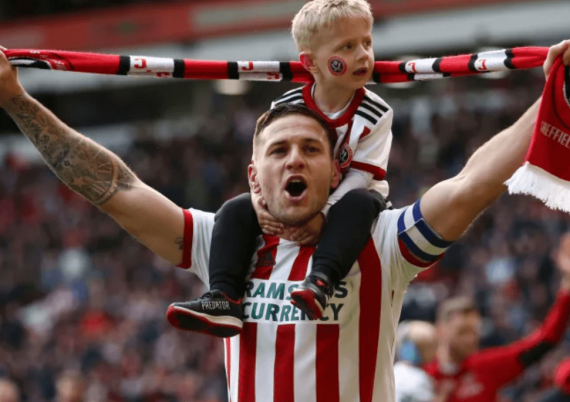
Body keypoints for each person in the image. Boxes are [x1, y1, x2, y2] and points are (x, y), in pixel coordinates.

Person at [0, 40, 569, 401]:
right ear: (254, 176)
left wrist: (554, 91)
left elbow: (473, 183)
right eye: (278, 151)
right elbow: (115, 188)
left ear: (336, 172)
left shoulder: (380, 241)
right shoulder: (221, 241)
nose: (294, 158)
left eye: (310, 149)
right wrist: (15, 99)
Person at [168, 0, 394, 337]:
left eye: (367, 42)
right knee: (235, 208)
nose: (363, 55)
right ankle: (224, 296)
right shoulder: (285, 104)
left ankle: (321, 282)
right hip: (298, 196)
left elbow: (362, 175)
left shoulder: (376, 112)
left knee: (358, 204)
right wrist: (261, 202)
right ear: (311, 62)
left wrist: (324, 213)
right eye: (347, 47)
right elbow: (263, 160)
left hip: (351, 198)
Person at [424, 233, 570, 402]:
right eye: (462, 332)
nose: (471, 339)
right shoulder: (424, 377)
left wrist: (566, 287)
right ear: (440, 330)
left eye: (474, 332)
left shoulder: (485, 366)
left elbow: (545, 340)